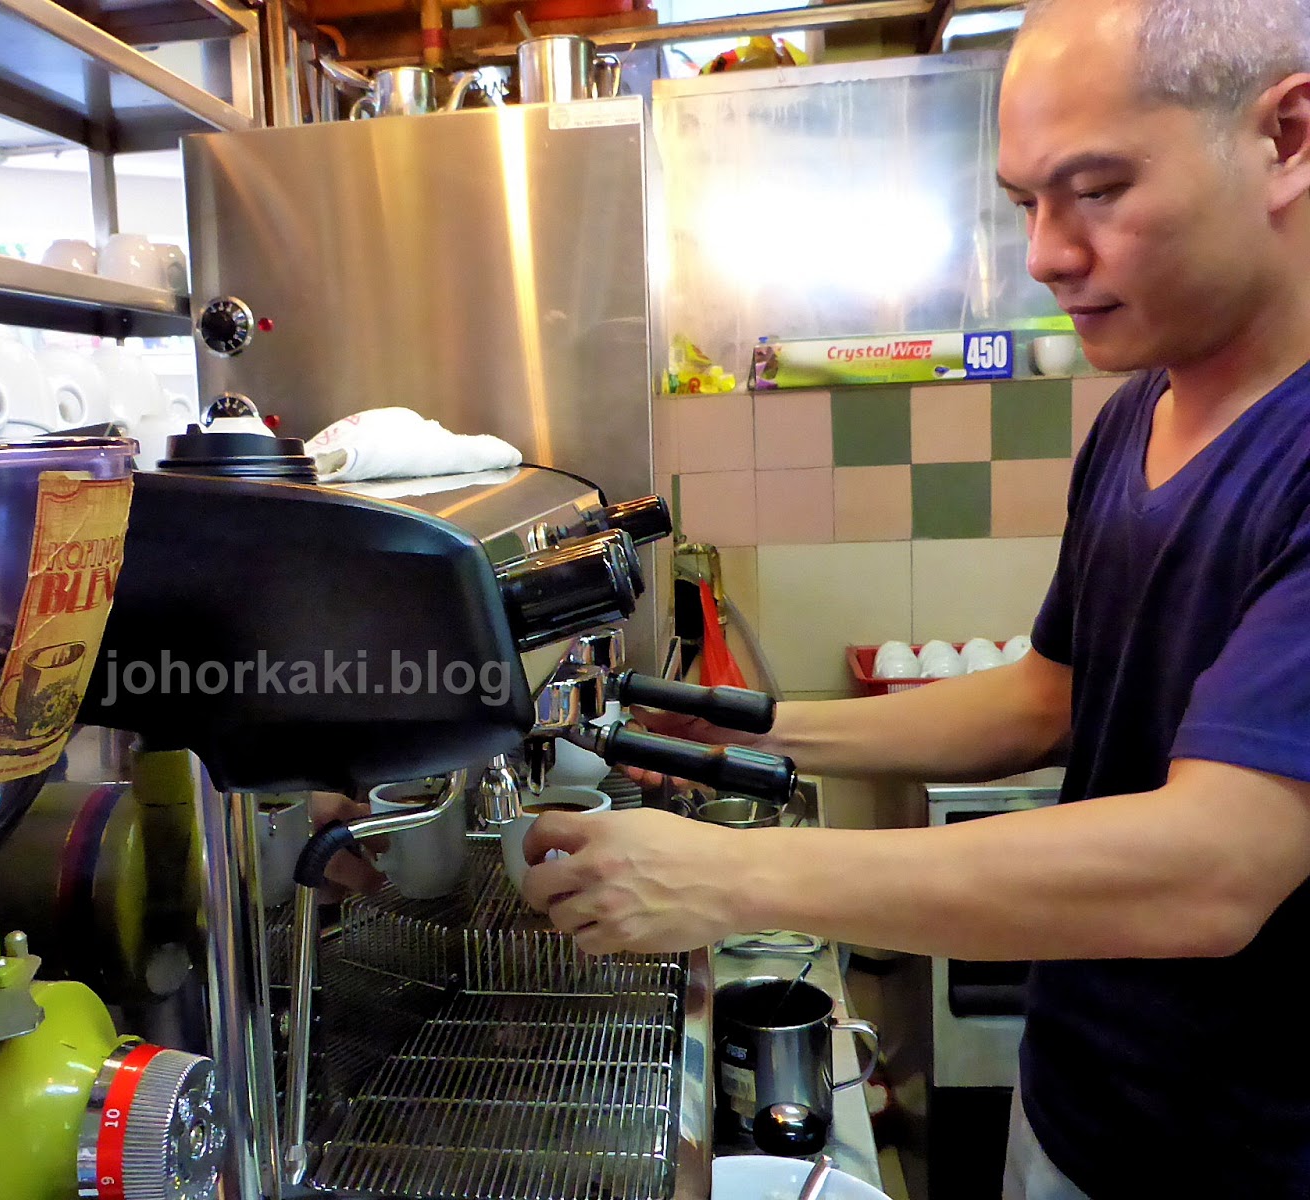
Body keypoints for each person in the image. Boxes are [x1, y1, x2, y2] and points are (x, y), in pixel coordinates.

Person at [519, 1, 1310, 1195]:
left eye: (1094, 188)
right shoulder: (1143, 409)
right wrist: (741, 723)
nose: (1044, 253)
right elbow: (1047, 701)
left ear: (1286, 138)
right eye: (1023, 202)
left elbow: (1215, 865)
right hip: (1085, 1101)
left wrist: (725, 878)